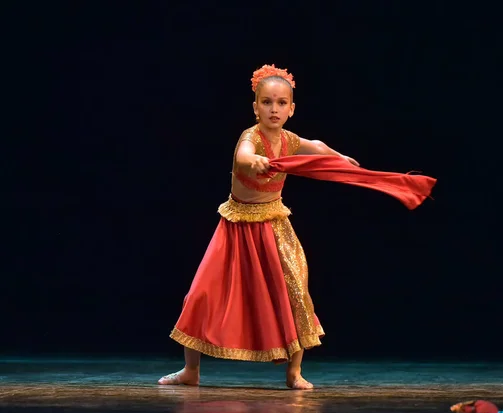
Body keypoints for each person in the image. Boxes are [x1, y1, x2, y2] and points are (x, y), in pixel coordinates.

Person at [158, 64, 435, 390]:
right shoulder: (250, 138)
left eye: (280, 103)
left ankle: (294, 373)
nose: (273, 109)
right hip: (235, 226)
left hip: (274, 225)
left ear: (291, 108)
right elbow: (244, 155)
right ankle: (191, 371)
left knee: (295, 293)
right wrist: (255, 161)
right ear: (255, 106)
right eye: (266, 102)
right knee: (202, 294)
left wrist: (339, 157)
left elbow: (315, 145)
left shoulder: (288, 140)